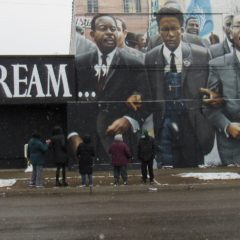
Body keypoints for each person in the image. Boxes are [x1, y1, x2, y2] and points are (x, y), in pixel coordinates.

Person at [74, 13, 151, 163]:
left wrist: (129, 120)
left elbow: (147, 99)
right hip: (88, 140)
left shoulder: (134, 64)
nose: (110, 32)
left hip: (122, 139)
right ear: (92, 34)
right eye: (103, 28)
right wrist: (73, 135)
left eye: (113, 29)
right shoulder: (79, 63)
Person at [145, 7, 214, 168]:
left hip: (192, 125)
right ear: (159, 31)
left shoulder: (201, 55)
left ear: (182, 29)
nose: (170, 34)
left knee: (194, 171)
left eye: (174, 29)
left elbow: (212, 88)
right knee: (166, 169)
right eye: (165, 29)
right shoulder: (150, 57)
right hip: (163, 124)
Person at [204, 12, 240, 166]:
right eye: (238, 25)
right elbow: (208, 107)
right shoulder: (217, 65)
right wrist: (226, 125)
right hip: (232, 145)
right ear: (230, 33)